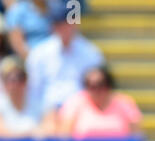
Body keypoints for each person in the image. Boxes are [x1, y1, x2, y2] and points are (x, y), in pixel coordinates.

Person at [25, 4, 104, 134]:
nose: (64, 28)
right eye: (59, 24)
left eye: (67, 23)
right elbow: (34, 90)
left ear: (75, 25)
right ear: (53, 26)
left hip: (81, 112)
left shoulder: (91, 53)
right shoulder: (39, 54)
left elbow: (96, 88)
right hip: (48, 113)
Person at [56, 66, 142, 140]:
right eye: (91, 85)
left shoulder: (124, 103)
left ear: (109, 85)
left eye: (100, 84)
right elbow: (64, 136)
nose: (96, 90)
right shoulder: (75, 102)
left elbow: (136, 136)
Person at [0, 55, 41, 138]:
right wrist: (30, 133)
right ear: (4, 82)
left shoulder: (39, 102)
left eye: (20, 77)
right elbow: (2, 133)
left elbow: (50, 128)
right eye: (10, 79)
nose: (16, 83)